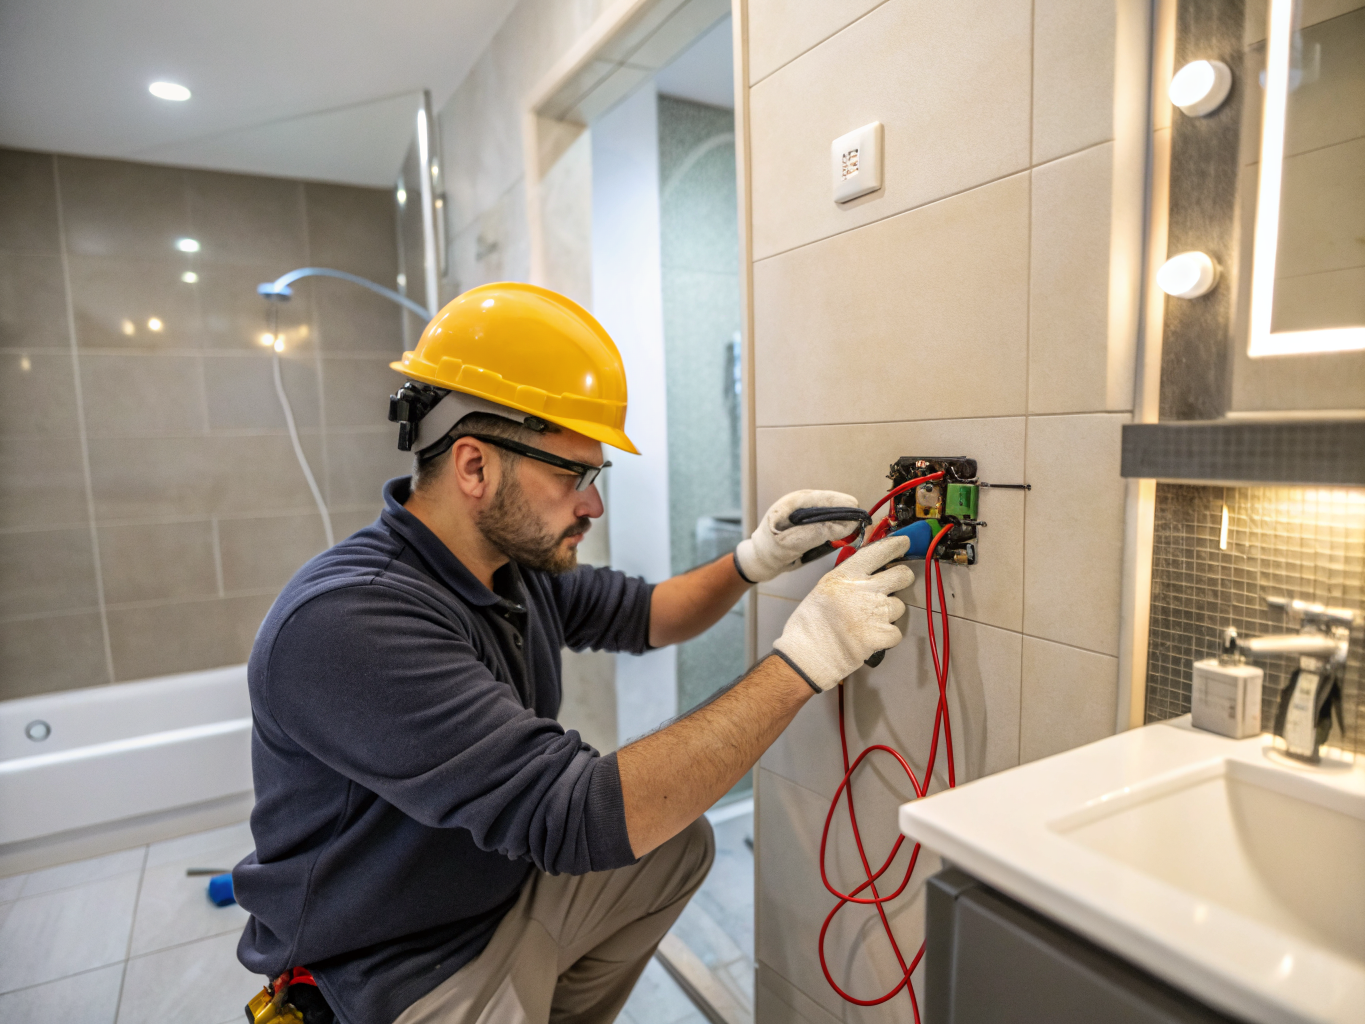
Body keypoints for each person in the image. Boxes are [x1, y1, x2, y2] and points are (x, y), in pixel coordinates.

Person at [233, 283, 912, 1024]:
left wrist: (754, 559)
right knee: (625, 825)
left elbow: (649, 615)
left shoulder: (505, 568)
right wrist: (805, 659)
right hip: (383, 976)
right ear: (473, 466)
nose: (592, 505)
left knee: (670, 847)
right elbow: (576, 816)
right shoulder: (350, 620)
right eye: (572, 476)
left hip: (486, 898)